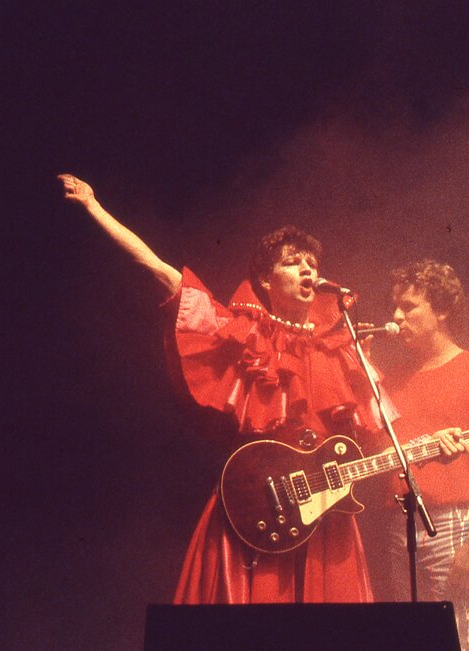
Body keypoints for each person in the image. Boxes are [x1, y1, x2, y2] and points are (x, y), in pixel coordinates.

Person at [57, 173, 389, 604]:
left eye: (312, 263)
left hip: (326, 514)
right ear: (267, 282)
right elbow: (161, 273)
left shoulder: (339, 347)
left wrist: (434, 450)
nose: (308, 268)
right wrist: (95, 208)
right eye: (293, 261)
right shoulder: (239, 332)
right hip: (257, 507)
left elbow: (371, 435)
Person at [372, 259, 469, 651]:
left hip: (454, 525)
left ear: (441, 310)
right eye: (395, 307)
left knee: (463, 642)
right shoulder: (392, 382)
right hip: (399, 528)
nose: (396, 317)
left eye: (408, 306)